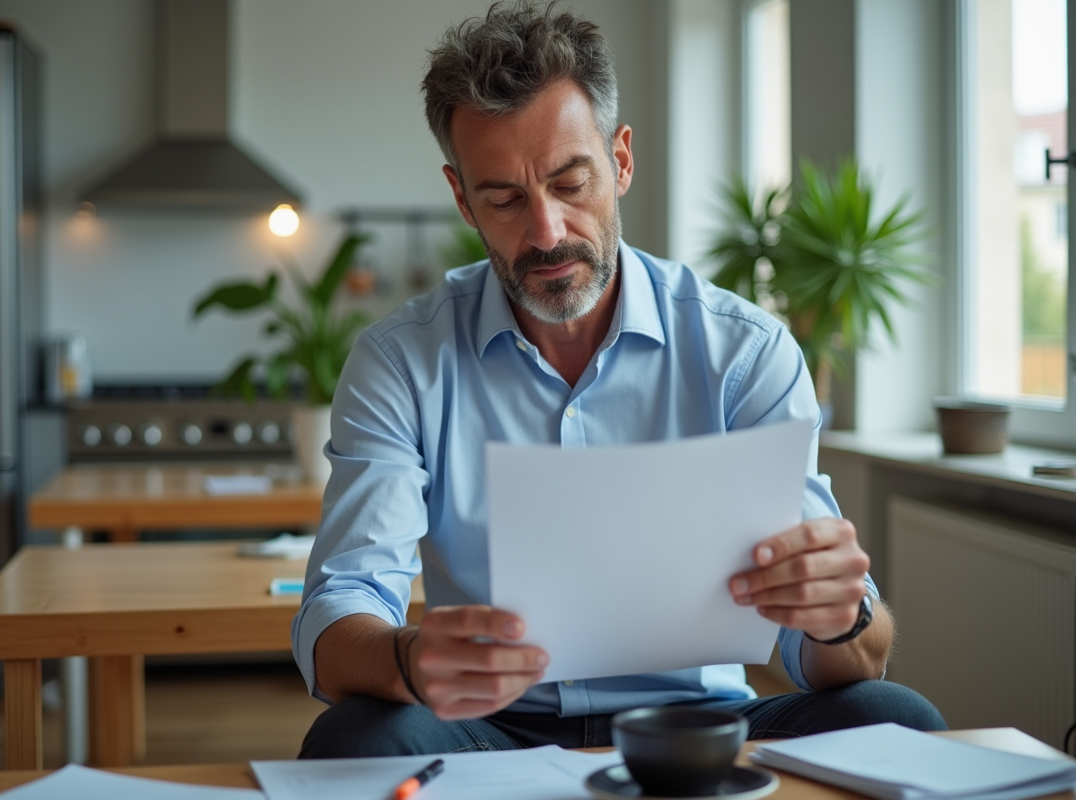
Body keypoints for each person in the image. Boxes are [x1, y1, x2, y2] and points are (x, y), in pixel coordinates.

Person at [292, 0, 945, 758]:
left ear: (622, 161)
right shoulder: (400, 362)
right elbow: (339, 614)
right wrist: (406, 657)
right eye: (504, 198)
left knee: (900, 720)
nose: (546, 232)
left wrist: (841, 617)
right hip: (491, 726)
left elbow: (839, 659)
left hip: (701, 725)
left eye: (572, 182)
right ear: (462, 197)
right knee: (354, 740)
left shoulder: (744, 351)